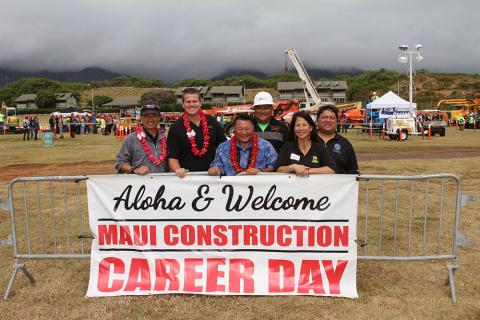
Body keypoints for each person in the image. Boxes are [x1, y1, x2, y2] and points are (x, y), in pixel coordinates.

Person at [167, 88, 226, 178]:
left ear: (200, 103)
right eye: (188, 102)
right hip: (187, 179)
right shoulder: (175, 127)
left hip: (213, 177)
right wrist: (177, 170)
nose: (191, 105)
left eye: (195, 101)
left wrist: (219, 166)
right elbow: (172, 157)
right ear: (183, 104)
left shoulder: (212, 121)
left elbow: (224, 148)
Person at [208, 114, 277, 176]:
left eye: (247, 129)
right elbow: (217, 166)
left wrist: (260, 170)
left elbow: (274, 167)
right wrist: (215, 169)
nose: (244, 133)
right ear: (234, 129)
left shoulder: (265, 146)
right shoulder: (223, 148)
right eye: (240, 129)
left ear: (253, 129)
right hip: (231, 187)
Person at [275, 111, 336, 176]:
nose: (301, 128)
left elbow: (332, 169)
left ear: (311, 128)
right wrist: (293, 167)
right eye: (297, 125)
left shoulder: (319, 146)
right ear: (293, 128)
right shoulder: (287, 147)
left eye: (304, 125)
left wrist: (307, 171)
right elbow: (277, 169)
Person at [115, 104, 168, 175]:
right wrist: (134, 170)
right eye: (146, 116)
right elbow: (120, 162)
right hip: (139, 184)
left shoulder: (164, 139)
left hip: (161, 183)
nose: (150, 119)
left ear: (159, 118)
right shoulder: (132, 138)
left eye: (154, 116)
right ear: (141, 118)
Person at [316, 105, 359, 175]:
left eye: (332, 118)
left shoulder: (345, 144)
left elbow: (353, 172)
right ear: (317, 120)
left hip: (337, 186)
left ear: (337, 122)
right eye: (324, 117)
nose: (328, 120)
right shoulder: (307, 139)